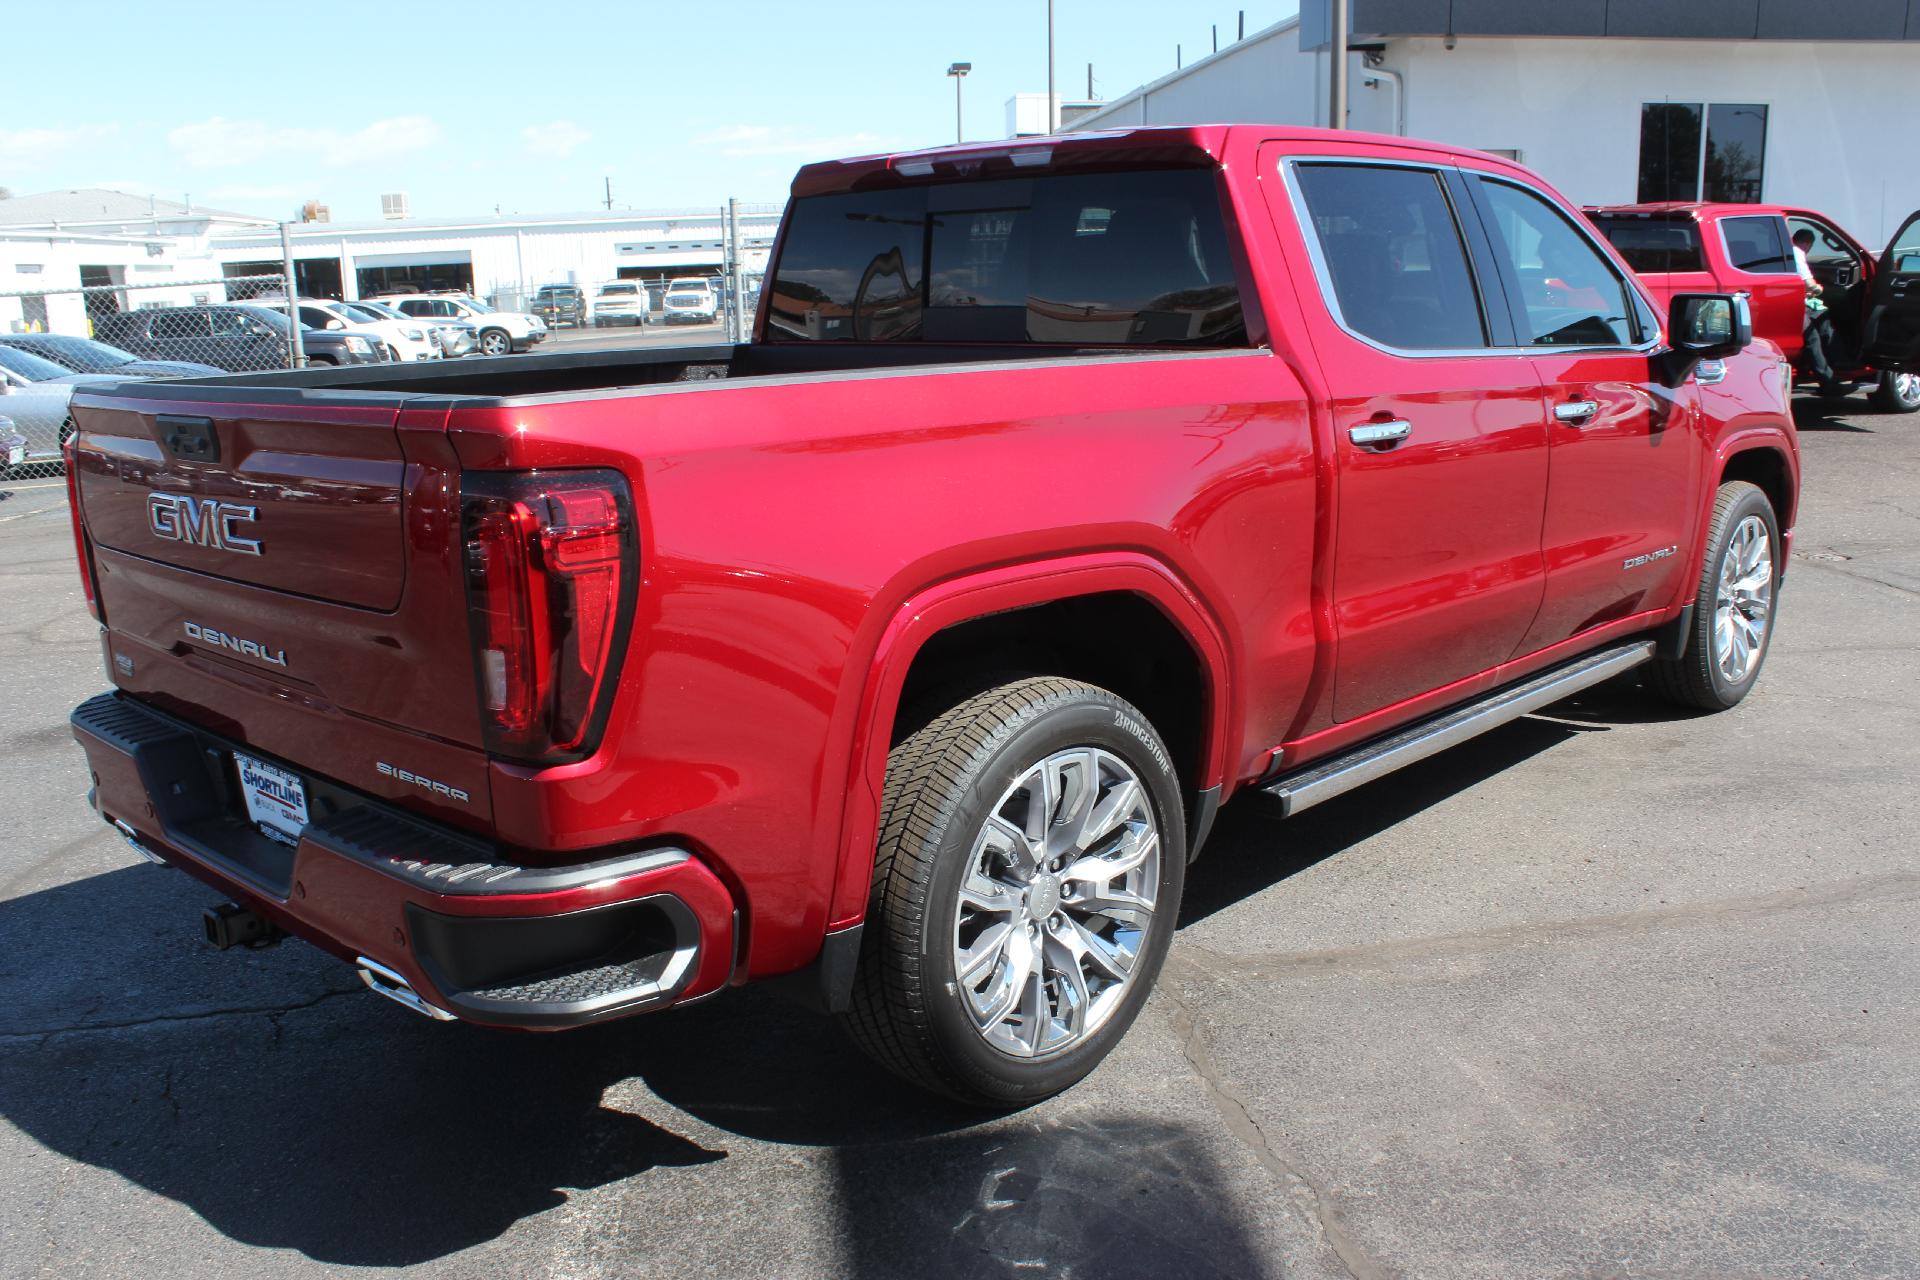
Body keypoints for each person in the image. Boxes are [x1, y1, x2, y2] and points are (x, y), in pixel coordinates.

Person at [1793, 228, 1847, 394]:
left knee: (1823, 319)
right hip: (1795, 304)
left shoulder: (1783, 250)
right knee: (1812, 338)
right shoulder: (1796, 252)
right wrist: (1819, 289)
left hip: (1799, 301)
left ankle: (1837, 362)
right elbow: (1810, 284)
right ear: (1807, 244)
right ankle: (1828, 380)